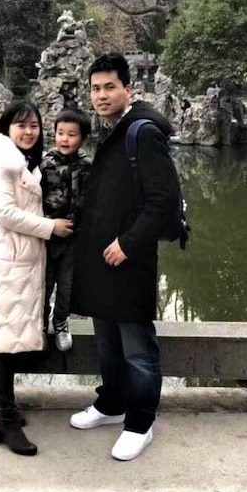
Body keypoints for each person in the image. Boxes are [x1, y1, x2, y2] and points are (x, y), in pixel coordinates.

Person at [68, 53, 181, 461]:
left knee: (136, 347)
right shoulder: (114, 129)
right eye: (95, 88)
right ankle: (111, 404)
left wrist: (129, 244)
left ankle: (140, 422)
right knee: (108, 344)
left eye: (109, 87)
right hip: (102, 258)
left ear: (127, 89)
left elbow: (163, 201)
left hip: (129, 258)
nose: (100, 95)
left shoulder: (142, 131)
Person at [0, 100, 74, 456]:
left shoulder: (26, 161)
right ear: (7, 128)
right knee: (5, 343)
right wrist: (51, 227)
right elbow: (5, 213)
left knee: (12, 333)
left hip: (21, 261)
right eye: (21, 125)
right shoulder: (1, 160)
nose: (28, 131)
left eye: (34, 125)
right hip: (6, 262)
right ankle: (6, 422)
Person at [40, 108, 92, 351]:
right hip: (47, 236)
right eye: (60, 133)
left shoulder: (88, 165)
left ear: (82, 138)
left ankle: (60, 321)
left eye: (71, 134)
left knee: (68, 285)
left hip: (75, 238)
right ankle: (40, 321)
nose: (65, 139)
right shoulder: (43, 164)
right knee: (43, 283)